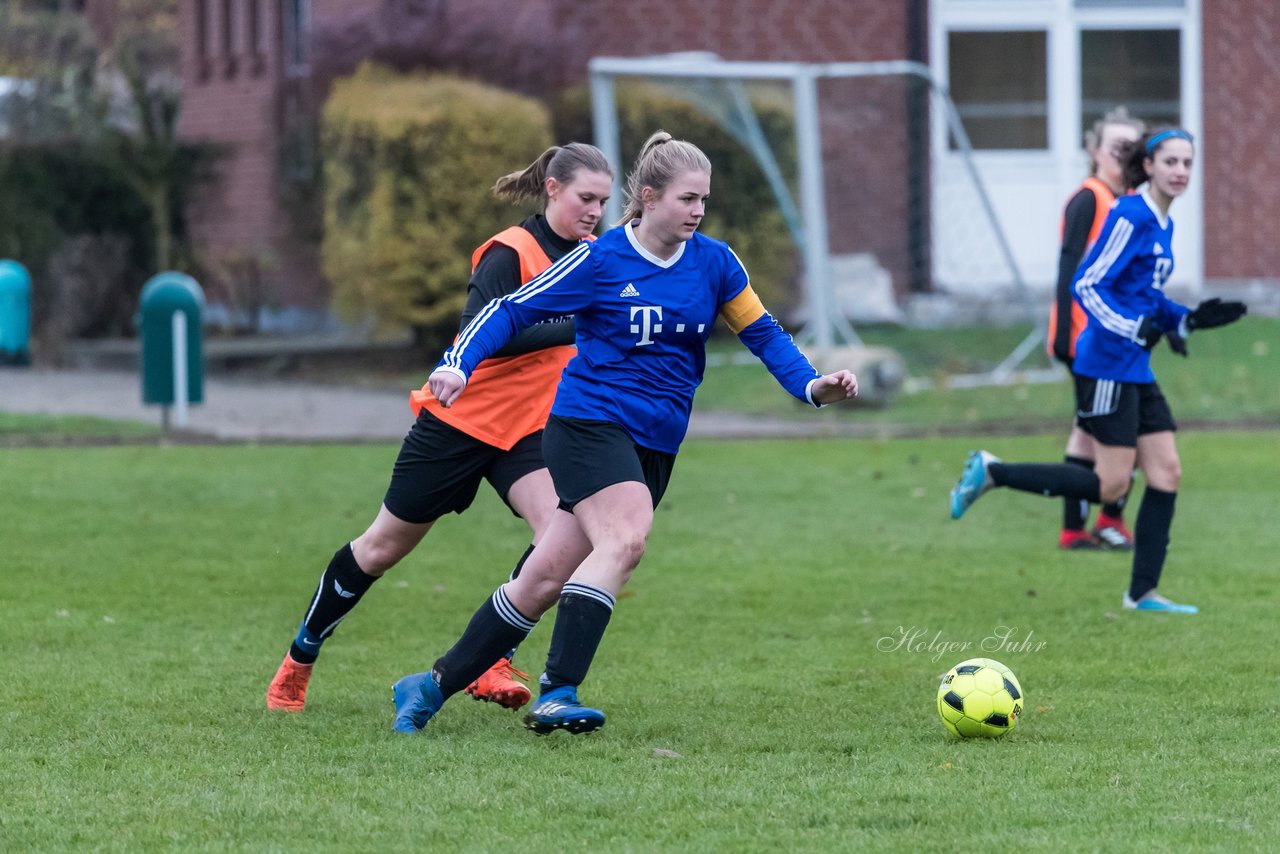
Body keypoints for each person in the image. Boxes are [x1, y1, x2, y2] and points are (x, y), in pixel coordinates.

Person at [390, 130, 858, 735]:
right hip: (588, 424)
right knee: (625, 540)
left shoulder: (714, 263)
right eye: (688, 199)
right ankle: (559, 690)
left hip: (655, 443)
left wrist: (811, 387)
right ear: (648, 196)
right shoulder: (600, 259)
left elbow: (763, 333)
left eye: (704, 201)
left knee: (544, 578)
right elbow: (509, 309)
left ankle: (427, 687)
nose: (698, 212)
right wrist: (457, 362)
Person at [266, 143, 614, 711]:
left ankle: (491, 662)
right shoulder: (510, 251)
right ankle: (300, 656)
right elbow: (482, 327)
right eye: (585, 197)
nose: (595, 210)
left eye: (602, 200)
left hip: (528, 433)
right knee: (380, 549)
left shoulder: (594, 258)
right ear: (552, 188)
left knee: (561, 536)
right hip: (460, 423)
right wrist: (576, 326)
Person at [950, 128, 1246, 614]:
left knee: (1166, 472)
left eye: (1187, 163)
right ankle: (993, 472)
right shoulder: (1129, 214)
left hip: (1134, 367)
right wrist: (1134, 328)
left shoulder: (1161, 221)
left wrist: (1184, 319)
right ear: (1147, 165)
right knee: (1112, 485)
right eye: (1170, 162)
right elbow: (1087, 284)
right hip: (1105, 365)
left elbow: (1143, 295)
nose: (1180, 172)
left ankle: (1141, 594)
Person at [1047, 107, 1145, 551]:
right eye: (1115, 147)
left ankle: (1076, 530)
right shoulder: (1088, 199)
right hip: (1089, 340)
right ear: (1095, 150)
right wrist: (1066, 336)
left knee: (1087, 431)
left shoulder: (1129, 201)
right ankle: (1107, 520)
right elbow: (1068, 270)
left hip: (1117, 339)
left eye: (1131, 147)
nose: (1123, 155)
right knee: (1126, 431)